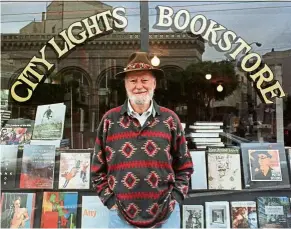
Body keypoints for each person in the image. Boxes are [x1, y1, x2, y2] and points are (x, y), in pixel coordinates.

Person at [91, 51, 194, 228]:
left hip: (166, 215)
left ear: (154, 83)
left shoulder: (170, 120)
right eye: (133, 80)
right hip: (120, 216)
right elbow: (96, 169)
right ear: (125, 85)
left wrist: (175, 198)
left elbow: (184, 166)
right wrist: (110, 201)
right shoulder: (109, 120)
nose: (139, 86)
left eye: (144, 80)